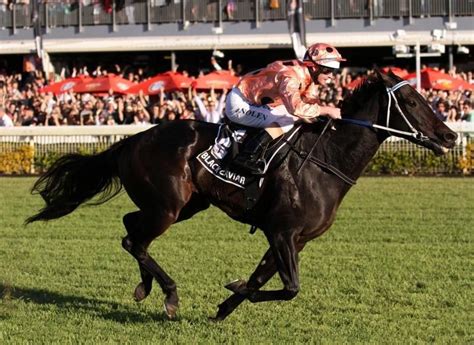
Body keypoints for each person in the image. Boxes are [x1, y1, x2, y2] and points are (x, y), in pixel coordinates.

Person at [225, 42, 345, 175]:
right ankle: (247, 156)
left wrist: (326, 117)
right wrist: (327, 110)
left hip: (255, 101)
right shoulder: (291, 76)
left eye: (333, 71)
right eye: (328, 70)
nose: (331, 75)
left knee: (296, 117)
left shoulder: (309, 76)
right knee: (286, 119)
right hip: (240, 103)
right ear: (315, 67)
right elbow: (296, 108)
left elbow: (310, 104)